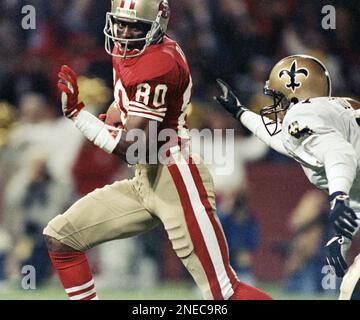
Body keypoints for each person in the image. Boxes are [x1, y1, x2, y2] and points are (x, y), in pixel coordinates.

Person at [42, 0, 271, 300]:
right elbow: (128, 112)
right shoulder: (130, 53)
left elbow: (133, 147)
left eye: (134, 26)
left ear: (156, 26)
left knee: (224, 291)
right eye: (120, 23)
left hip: (176, 177)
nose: (124, 33)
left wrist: (77, 114)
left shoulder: (158, 62)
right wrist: (115, 115)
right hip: (145, 180)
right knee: (61, 239)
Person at [214, 54, 360, 299]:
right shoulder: (328, 111)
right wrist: (240, 112)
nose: (277, 108)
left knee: (353, 286)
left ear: (295, 96)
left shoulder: (302, 116)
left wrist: (338, 197)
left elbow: (340, 154)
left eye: (279, 99)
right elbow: (282, 139)